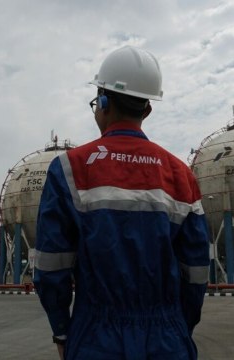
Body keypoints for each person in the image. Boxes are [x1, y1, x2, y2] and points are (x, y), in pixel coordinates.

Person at [33, 45, 210, 360]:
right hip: (167, 337)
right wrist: (177, 326)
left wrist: (61, 329)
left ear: (102, 101)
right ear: (148, 109)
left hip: (95, 338)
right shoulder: (181, 174)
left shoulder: (69, 168)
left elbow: (51, 267)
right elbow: (196, 270)